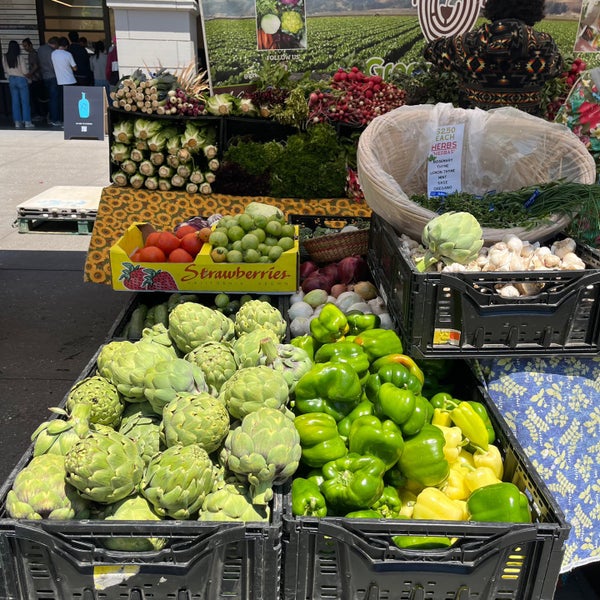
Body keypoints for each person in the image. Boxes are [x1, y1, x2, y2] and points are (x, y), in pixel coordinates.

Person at [423, 0, 564, 116]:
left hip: (476, 137)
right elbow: (558, 67)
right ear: (534, 7)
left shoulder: (465, 44)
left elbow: (430, 51)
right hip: (523, 139)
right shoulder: (545, 46)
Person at [2, 40, 34, 128]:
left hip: (11, 79)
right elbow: (24, 71)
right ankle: (27, 122)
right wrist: (29, 76)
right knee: (25, 102)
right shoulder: (20, 57)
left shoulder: (4, 57)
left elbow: (6, 70)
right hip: (21, 79)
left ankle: (17, 122)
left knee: (15, 102)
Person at [51, 36, 77, 123]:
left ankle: (63, 120)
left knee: (62, 102)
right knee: (72, 103)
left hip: (59, 82)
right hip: (70, 81)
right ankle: (72, 120)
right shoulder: (68, 54)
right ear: (66, 46)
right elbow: (75, 68)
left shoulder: (53, 54)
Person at [38, 36, 60, 126]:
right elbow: (53, 65)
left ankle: (48, 116)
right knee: (54, 99)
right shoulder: (52, 52)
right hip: (53, 76)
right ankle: (54, 119)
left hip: (44, 76)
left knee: (49, 98)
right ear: (55, 44)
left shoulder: (40, 49)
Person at [21, 38, 43, 121]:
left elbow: (36, 66)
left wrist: (29, 74)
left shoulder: (32, 54)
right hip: (36, 79)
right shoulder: (33, 53)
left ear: (30, 45)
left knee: (35, 99)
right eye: (23, 46)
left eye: (26, 46)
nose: (24, 48)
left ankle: (39, 115)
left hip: (36, 79)